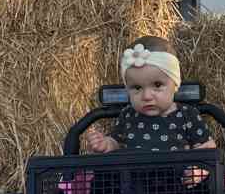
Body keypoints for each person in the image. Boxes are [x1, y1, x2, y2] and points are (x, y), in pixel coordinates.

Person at [86, 36, 216, 157]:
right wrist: (105, 144)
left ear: (175, 83)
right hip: (131, 180)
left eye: (157, 85)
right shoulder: (128, 115)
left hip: (178, 179)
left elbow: (208, 147)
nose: (147, 96)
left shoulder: (187, 115)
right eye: (137, 88)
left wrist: (199, 169)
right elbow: (116, 142)